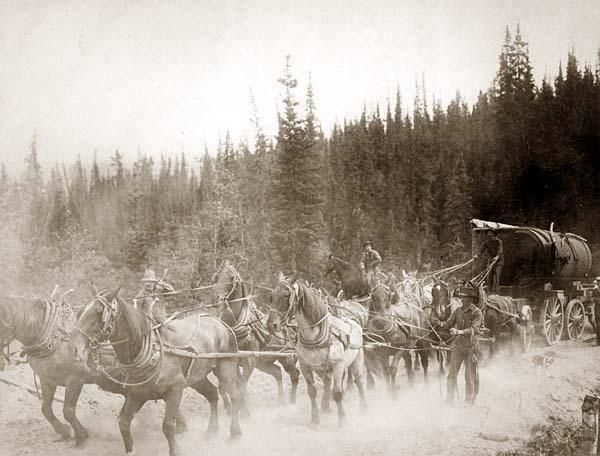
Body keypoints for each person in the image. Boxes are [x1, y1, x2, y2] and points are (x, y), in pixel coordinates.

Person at [435, 283, 482, 405]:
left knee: (469, 376)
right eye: (462, 297)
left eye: (465, 297)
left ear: (471, 299)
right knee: (451, 375)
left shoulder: (477, 313)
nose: (462, 299)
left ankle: (468, 401)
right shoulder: (458, 311)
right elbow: (448, 323)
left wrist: (459, 331)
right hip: (458, 347)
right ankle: (449, 400)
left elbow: (474, 330)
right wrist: (438, 323)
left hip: (471, 348)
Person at [474, 228, 504, 294]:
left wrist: (497, 257)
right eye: (488, 236)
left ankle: (496, 293)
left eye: (491, 236)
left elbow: (500, 250)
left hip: (499, 261)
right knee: (489, 276)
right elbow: (481, 250)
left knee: (497, 276)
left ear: (494, 235)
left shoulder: (499, 241)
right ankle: (489, 292)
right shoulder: (487, 242)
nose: (489, 237)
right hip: (491, 260)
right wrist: (477, 255)